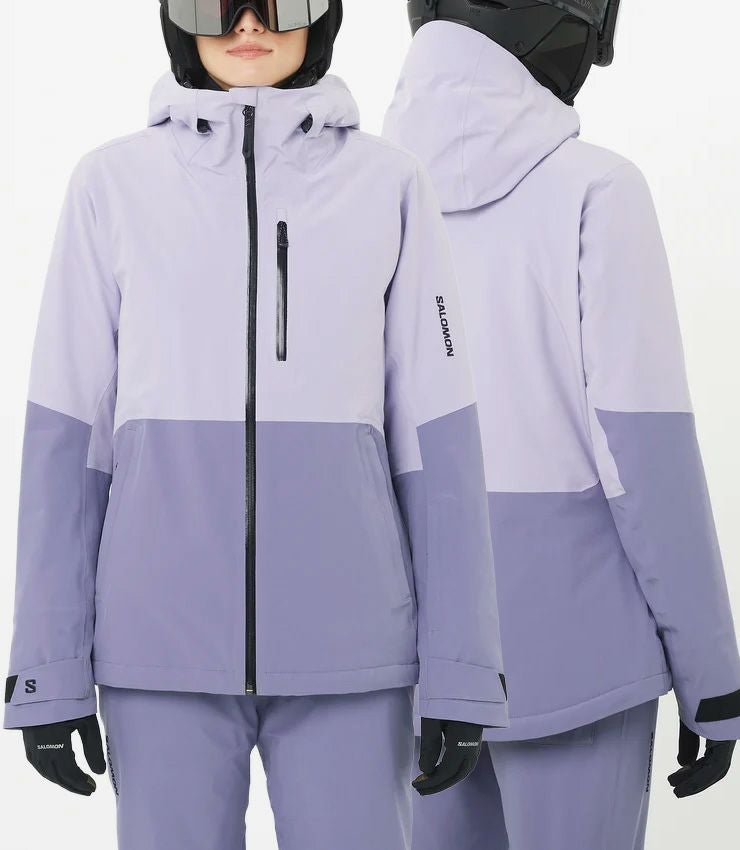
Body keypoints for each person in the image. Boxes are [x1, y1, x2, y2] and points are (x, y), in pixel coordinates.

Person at [3, 3, 508, 848]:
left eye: (282, 0)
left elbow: (441, 450)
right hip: (157, 650)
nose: (247, 22)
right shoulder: (110, 186)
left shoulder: (390, 186)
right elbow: (66, 449)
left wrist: (464, 670)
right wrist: (47, 670)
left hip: (353, 651)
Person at [384, 1, 740, 847]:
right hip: (580, 663)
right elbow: (644, 455)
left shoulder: (362, 195)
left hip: (415, 669)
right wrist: (713, 678)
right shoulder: (598, 191)